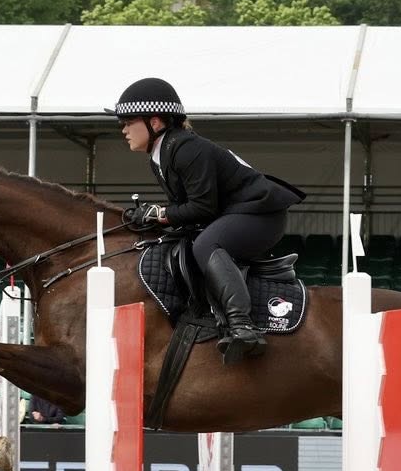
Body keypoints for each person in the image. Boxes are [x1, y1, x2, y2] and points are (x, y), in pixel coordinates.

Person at [113, 77, 305, 365]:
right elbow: (186, 207)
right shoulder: (162, 153)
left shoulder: (185, 148)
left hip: (261, 215)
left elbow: (202, 207)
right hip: (237, 212)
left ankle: (242, 326)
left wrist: (161, 214)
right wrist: (159, 216)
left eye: (128, 120)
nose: (123, 128)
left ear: (155, 122)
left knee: (206, 244)